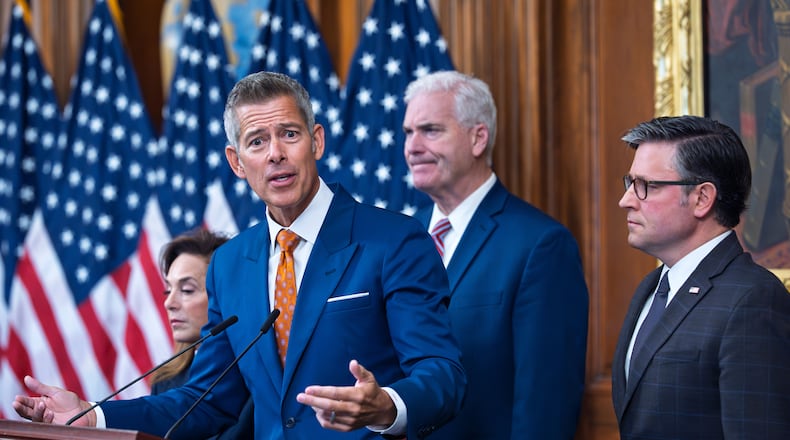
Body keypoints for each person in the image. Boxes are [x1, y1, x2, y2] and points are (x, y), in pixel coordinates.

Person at [13, 71, 467, 439]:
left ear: (317, 142)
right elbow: (209, 399)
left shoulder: (394, 241)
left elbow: (442, 373)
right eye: (257, 141)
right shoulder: (230, 264)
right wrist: (93, 416)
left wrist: (387, 405)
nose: (275, 154)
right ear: (236, 162)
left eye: (289, 134)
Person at [402, 70, 589, 439]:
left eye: (430, 130)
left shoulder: (542, 245)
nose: (412, 146)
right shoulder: (402, 237)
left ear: (478, 138)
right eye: (408, 132)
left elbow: (545, 404)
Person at [612, 115, 790, 439]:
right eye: (630, 183)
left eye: (646, 187)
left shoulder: (754, 299)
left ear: (702, 198)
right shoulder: (650, 289)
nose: (626, 201)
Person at [149, 229, 253, 440]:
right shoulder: (166, 379)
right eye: (168, 290)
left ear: (225, 295)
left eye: (187, 290)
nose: (169, 303)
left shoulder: (256, 375)